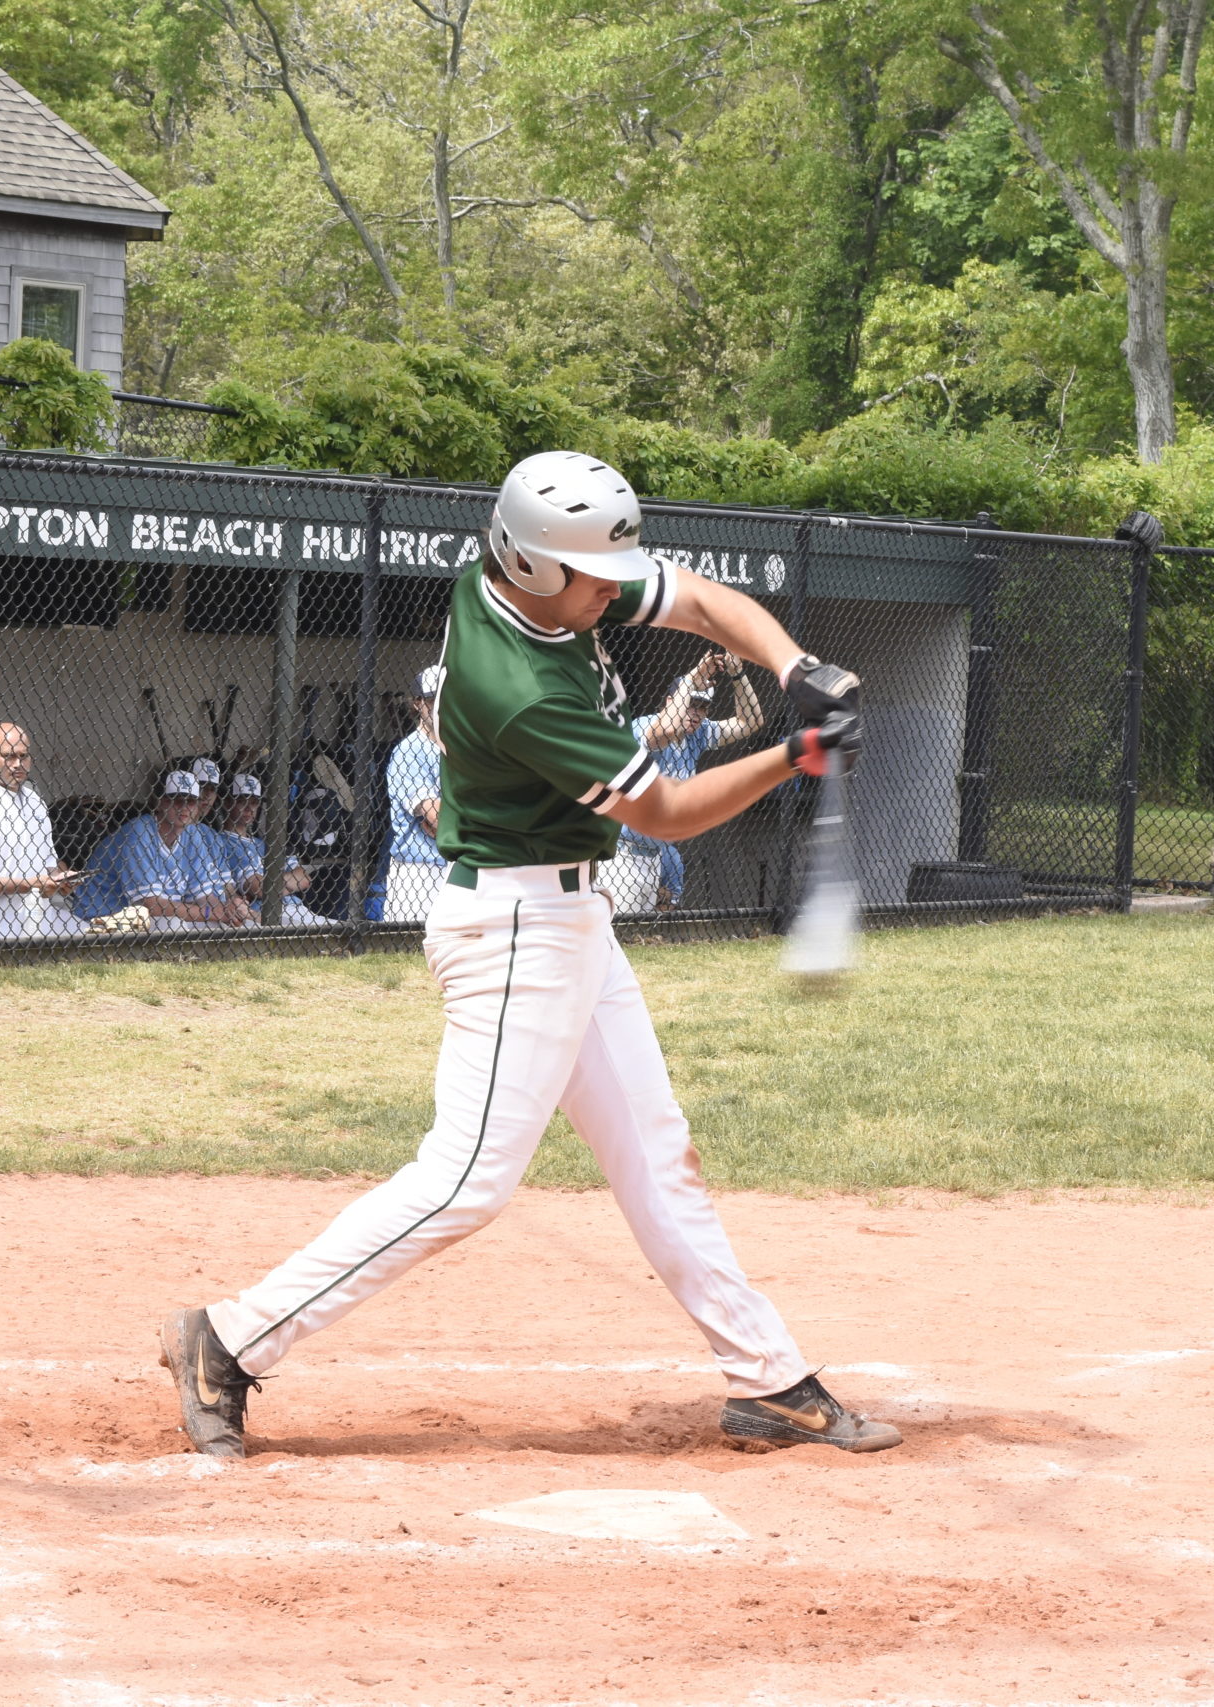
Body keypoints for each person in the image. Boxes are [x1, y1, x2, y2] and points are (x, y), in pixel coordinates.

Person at [159, 449, 883, 1460]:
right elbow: (665, 815)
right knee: (465, 1183)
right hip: (513, 932)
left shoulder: (534, 578)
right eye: (595, 580)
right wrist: (797, 756)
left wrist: (797, 668)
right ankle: (229, 1340)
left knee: (658, 1158)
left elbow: (709, 606)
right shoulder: (519, 686)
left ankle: (767, 1379)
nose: (614, 592)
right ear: (538, 569)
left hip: (570, 920)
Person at [606, 652, 766, 913]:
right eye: (691, 703)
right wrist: (692, 677)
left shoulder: (698, 735)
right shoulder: (645, 725)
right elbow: (666, 730)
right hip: (621, 856)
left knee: (642, 941)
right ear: (672, 701)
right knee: (617, 935)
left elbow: (750, 722)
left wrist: (738, 675)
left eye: (702, 707)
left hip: (655, 855)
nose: (696, 713)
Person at [0, 723, 86, 941]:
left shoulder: (34, 801)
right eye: (8, 756)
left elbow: (48, 864)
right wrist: (34, 883)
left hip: (35, 927)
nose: (17, 764)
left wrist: (61, 879)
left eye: (23, 756)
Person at [75, 771, 246, 930]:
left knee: (224, 925)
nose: (185, 807)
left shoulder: (192, 835)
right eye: (178, 800)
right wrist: (211, 913)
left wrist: (227, 910)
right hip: (99, 916)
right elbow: (151, 906)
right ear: (161, 803)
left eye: (191, 801)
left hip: (152, 919)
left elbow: (205, 897)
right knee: (174, 925)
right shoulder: (138, 834)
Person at [213, 773, 332, 926]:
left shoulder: (262, 843)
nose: (250, 808)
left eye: (254, 802)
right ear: (228, 803)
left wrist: (274, 885)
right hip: (266, 913)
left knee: (336, 928)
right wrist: (287, 881)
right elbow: (260, 889)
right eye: (242, 802)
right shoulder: (222, 841)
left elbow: (304, 879)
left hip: (297, 908)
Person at [380, 665, 447, 923]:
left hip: (458, 867)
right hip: (419, 874)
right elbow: (438, 819)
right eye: (434, 700)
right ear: (418, 703)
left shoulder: (463, 749)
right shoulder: (410, 751)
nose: (442, 707)